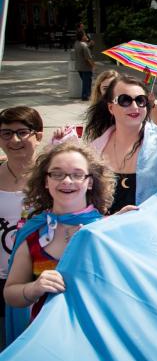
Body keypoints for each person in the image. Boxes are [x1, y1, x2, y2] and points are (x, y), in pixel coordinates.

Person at [3, 142, 113, 344]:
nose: (67, 181)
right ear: (46, 181)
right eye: (57, 173)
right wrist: (34, 288)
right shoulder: (33, 233)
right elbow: (11, 293)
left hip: (94, 342)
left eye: (78, 174)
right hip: (44, 343)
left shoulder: (108, 231)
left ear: (90, 182)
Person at [84, 75, 157, 214]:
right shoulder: (94, 150)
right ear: (111, 107)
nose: (135, 107)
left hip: (151, 229)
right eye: (125, 100)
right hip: (106, 231)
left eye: (140, 100)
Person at [0, 107, 43, 339]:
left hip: (36, 279)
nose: (14, 140)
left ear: (38, 135)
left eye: (22, 132)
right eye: (6, 133)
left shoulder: (53, 178)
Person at [73, 32, 95, 101]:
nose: (86, 36)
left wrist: (89, 45)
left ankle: (87, 95)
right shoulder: (84, 46)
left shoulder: (76, 44)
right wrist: (93, 65)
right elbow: (88, 58)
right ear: (82, 37)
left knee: (85, 81)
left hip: (79, 66)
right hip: (85, 67)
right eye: (85, 35)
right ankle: (85, 96)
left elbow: (83, 50)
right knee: (87, 82)